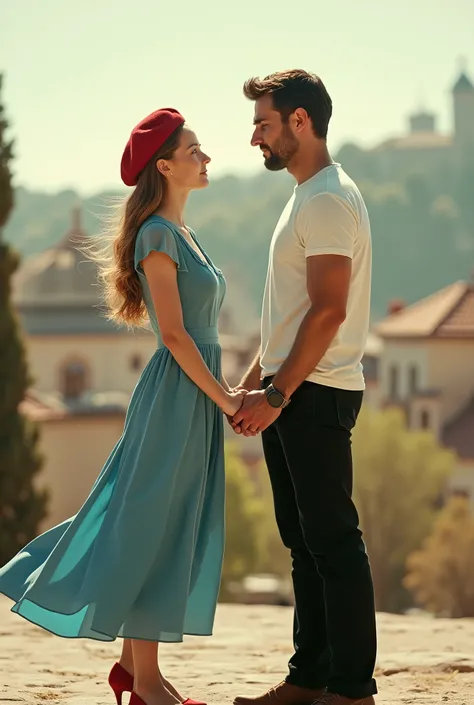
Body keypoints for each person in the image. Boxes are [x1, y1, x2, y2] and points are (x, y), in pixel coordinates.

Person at [0, 108, 245, 705]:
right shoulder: (158, 235)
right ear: (164, 165)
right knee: (145, 526)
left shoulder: (182, 234)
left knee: (162, 523)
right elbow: (176, 335)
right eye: (194, 150)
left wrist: (219, 396)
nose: (206, 157)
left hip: (193, 395)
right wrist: (228, 398)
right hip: (177, 395)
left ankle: (142, 679)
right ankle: (142, 680)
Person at [230, 70, 377, 705]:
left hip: (314, 393)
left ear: (298, 121)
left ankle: (351, 690)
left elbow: (327, 312)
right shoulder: (307, 194)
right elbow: (290, 316)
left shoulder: (324, 199)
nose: (254, 136)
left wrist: (277, 395)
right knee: (304, 546)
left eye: (263, 123)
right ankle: (308, 679)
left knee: (333, 544)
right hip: (294, 389)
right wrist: (251, 384)